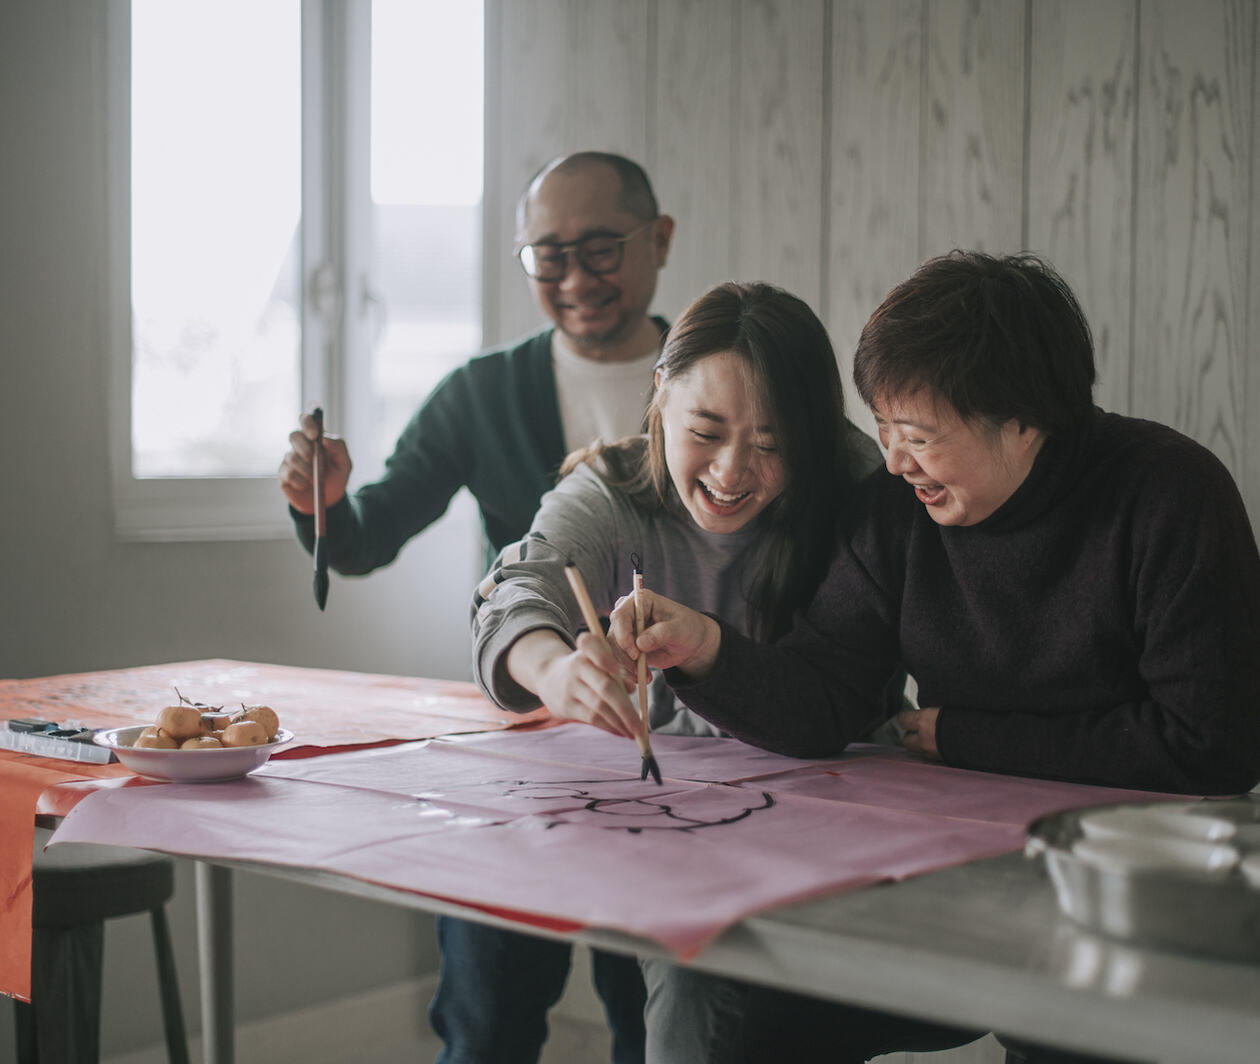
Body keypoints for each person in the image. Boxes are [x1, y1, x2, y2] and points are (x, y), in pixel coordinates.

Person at [609, 251, 1260, 1064]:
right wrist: (703, 648)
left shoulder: (1170, 495)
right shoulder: (896, 512)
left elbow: (1211, 746)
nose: (891, 461)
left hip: (1124, 888)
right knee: (744, 1003)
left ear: (1023, 422)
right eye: (882, 428)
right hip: (955, 872)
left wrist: (964, 737)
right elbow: (825, 696)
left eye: (917, 437)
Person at [278, 151, 676, 1064]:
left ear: (659, 240)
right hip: (524, 737)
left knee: (653, 1020)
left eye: (601, 249)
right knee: (485, 1013)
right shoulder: (483, 392)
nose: (575, 279)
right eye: (548, 256)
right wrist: (323, 502)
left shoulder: (711, 382)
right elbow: (368, 535)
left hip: (679, 740)